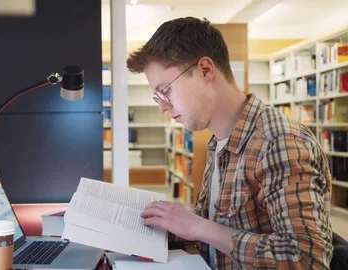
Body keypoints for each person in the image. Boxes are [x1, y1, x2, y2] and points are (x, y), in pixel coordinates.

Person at [127, 17, 333, 269]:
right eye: (156, 97)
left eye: (166, 91)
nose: (162, 107)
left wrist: (199, 227)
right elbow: (220, 226)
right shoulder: (219, 143)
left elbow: (307, 259)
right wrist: (169, 222)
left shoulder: (279, 142)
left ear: (205, 70)